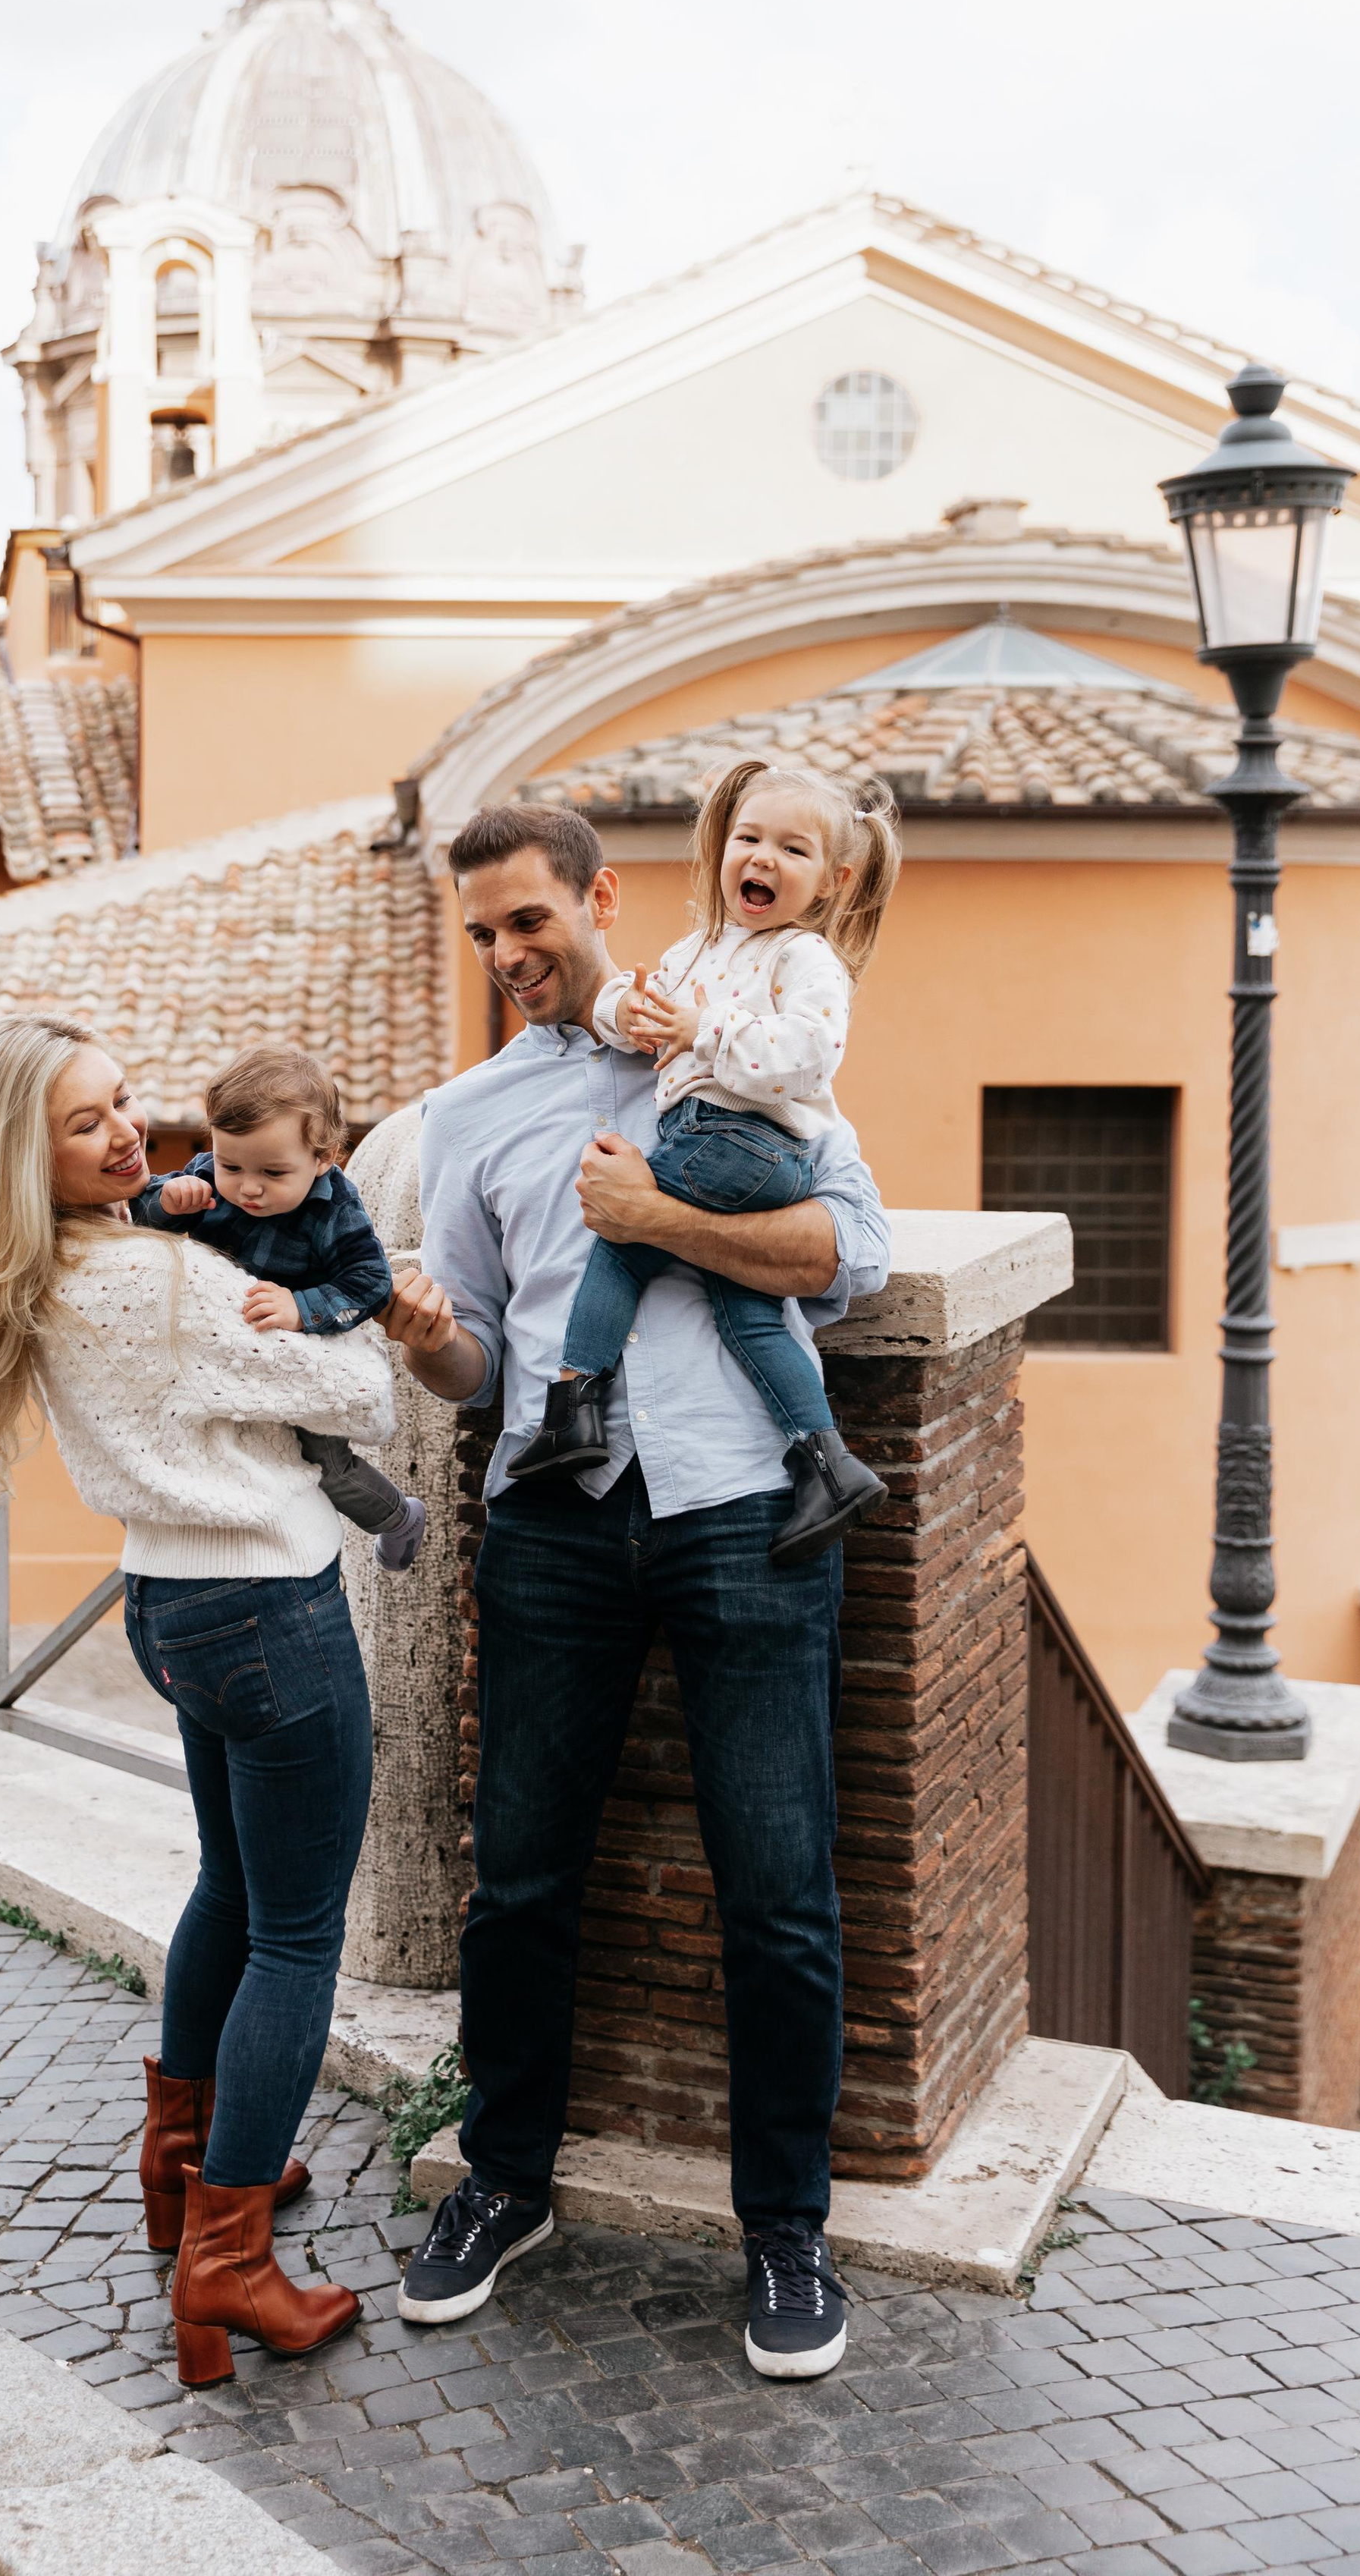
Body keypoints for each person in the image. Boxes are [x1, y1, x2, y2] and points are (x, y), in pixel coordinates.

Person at [376, 806, 890, 2382]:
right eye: (480, 933)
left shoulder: (742, 1056)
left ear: (602, 901)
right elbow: (477, 1354)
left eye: (527, 920)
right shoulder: (463, 1120)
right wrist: (421, 1342)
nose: (507, 956)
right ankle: (503, 2182)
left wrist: (658, 1220)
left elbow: (845, 1257)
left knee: (779, 1893)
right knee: (520, 1875)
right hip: (553, 1519)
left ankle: (783, 2230)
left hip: (747, 1508)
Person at [0, 1012, 394, 2389]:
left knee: (232, 1892)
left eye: (123, 1102)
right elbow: (369, 1396)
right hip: (270, 1610)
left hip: (168, 1607)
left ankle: (186, 2168)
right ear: (28, 1156)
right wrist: (357, 1310)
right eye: (85, 1122)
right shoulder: (149, 1284)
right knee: (300, 1936)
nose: (127, 1132)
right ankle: (230, 2262)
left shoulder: (70, 1267)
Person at [510, 760, 898, 1565]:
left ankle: (572, 1408)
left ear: (831, 882)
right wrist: (627, 1009)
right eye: (748, 838)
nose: (761, 858)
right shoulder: (699, 948)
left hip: (745, 1140)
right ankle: (827, 1461)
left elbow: (809, 1057)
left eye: (792, 850)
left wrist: (704, 1031)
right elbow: (641, 1012)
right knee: (745, 1305)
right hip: (719, 1139)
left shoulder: (803, 957)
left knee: (623, 1238)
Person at [132, 1043, 427, 1571]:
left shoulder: (336, 1210)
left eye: (272, 1173)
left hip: (308, 1359)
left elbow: (372, 1283)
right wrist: (167, 1201)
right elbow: (142, 1215)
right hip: (226, 1353)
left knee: (327, 1466)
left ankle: (397, 1517)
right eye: (231, 1165)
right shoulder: (207, 1177)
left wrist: (300, 1307)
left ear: (323, 1159)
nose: (248, 1187)